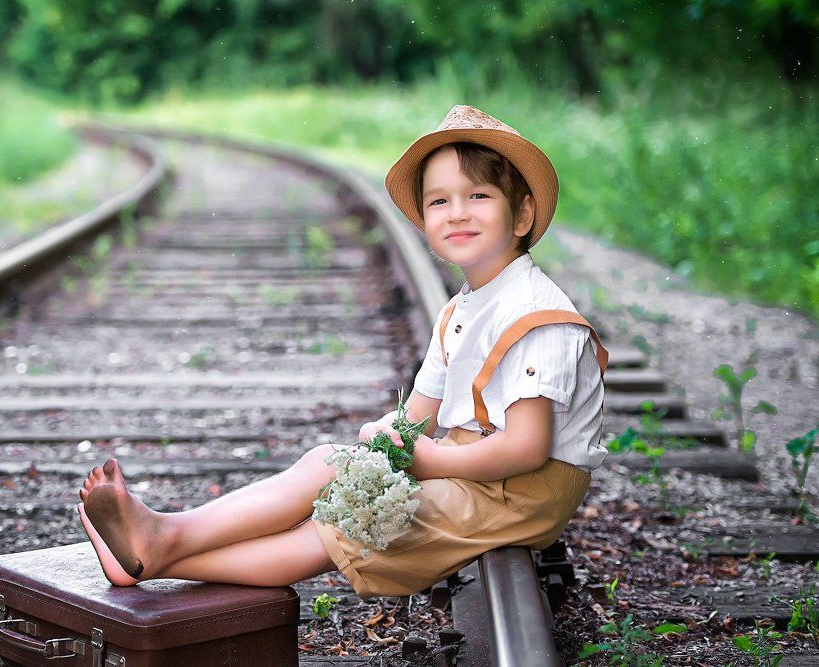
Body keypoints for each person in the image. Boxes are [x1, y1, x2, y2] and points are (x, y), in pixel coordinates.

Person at [77, 104, 608, 599]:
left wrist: (430, 460)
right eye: (439, 201)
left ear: (521, 216)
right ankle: (167, 532)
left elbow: (527, 449)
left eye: (479, 196)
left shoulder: (535, 315)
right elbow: (419, 412)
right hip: (482, 467)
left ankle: (161, 556)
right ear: (425, 222)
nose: (457, 213)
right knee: (326, 463)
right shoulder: (465, 306)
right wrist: (388, 435)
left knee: (341, 523)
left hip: (522, 491)